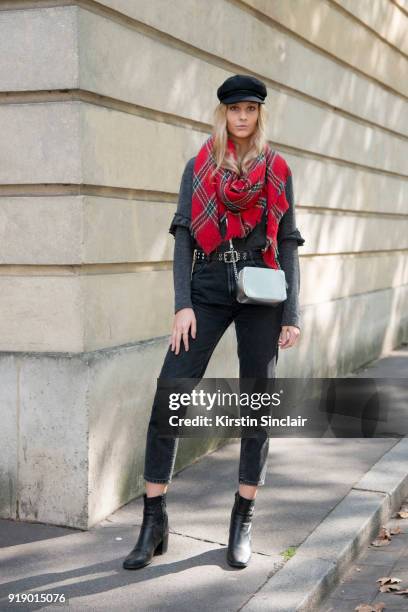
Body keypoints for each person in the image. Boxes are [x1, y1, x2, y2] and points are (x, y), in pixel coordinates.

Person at [123, 74, 305, 571]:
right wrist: (182, 303)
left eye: (250, 109)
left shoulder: (278, 168)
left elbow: (287, 240)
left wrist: (292, 312)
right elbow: (183, 236)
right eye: (234, 109)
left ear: (260, 114)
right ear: (222, 113)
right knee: (171, 393)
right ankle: (153, 519)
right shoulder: (199, 167)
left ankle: (242, 518)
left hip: (262, 290)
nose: (241, 118)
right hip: (206, 286)